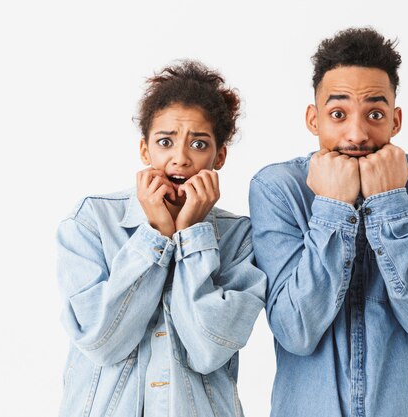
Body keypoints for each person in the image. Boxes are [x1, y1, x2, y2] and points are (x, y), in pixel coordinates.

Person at [249, 27, 408, 417]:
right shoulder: (278, 188)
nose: (357, 133)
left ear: (395, 120)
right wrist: (332, 206)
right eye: (338, 114)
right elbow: (296, 331)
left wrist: (390, 202)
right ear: (313, 119)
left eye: (375, 114)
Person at [56, 61, 266, 417]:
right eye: (165, 142)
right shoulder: (91, 221)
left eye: (199, 144)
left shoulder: (240, 238)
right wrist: (155, 237)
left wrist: (191, 235)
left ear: (220, 156)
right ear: (145, 150)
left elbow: (208, 350)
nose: (180, 159)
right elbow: (100, 341)